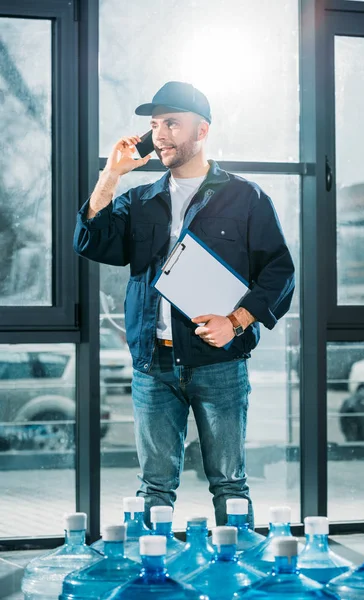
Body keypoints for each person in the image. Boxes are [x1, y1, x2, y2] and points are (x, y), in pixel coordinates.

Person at [73, 81, 295, 528]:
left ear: (202, 130)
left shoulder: (245, 198)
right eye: (155, 125)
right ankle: (157, 586)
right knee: (153, 487)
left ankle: (238, 582)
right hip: (152, 365)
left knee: (230, 483)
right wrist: (112, 174)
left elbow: (279, 272)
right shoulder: (140, 199)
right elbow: (89, 239)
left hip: (219, 362)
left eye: (172, 123)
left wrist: (236, 320)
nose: (160, 135)